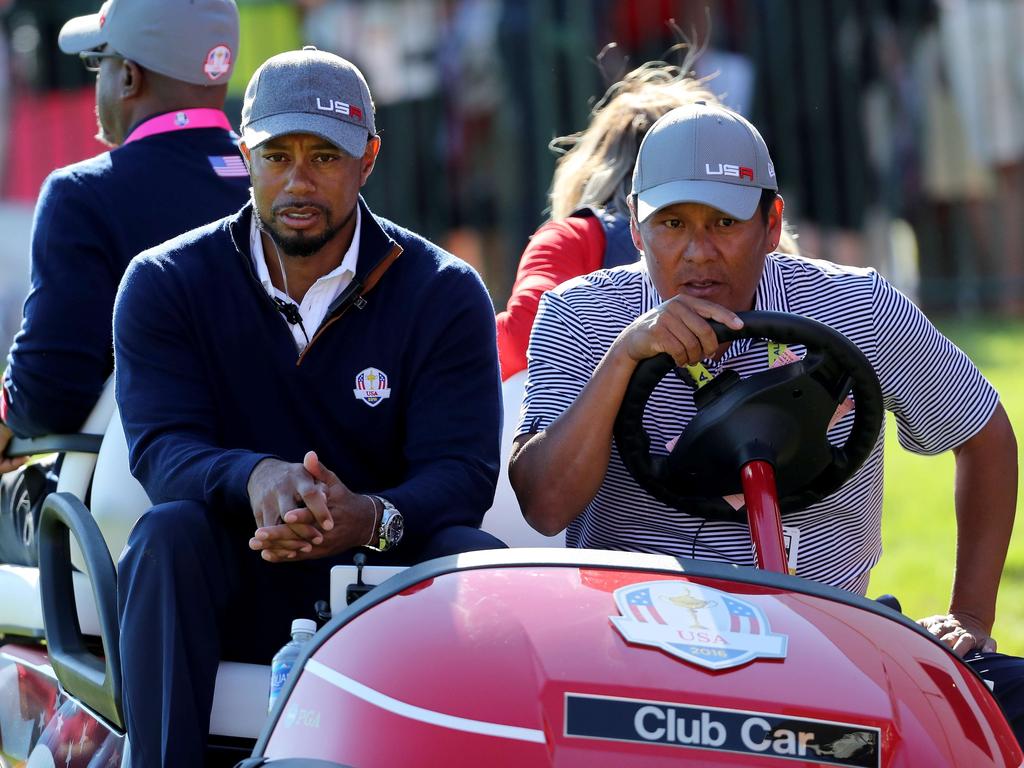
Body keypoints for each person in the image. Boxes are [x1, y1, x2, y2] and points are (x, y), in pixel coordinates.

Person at [509, 103, 1022, 739]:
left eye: (725, 222)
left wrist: (969, 615)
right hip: (632, 646)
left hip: (829, 639)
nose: (698, 252)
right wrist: (624, 357)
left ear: (771, 223)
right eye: (671, 224)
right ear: (637, 230)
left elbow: (986, 435)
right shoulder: (580, 316)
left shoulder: (856, 306)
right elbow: (546, 505)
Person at [112, 47, 503, 766]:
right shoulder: (165, 280)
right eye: (277, 155)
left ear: (369, 159)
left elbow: (463, 476)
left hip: (384, 583)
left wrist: (370, 518)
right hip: (231, 579)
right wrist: (257, 478)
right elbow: (162, 448)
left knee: (476, 562)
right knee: (166, 536)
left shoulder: (444, 290)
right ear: (244, 156)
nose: (298, 180)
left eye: (325, 157)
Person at [0, 0, 249, 474]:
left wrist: (9, 412)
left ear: (129, 78)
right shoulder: (278, 185)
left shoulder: (82, 194)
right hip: (284, 493)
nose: (98, 81)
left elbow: (49, 394)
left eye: (100, 62)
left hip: (132, 499)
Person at [495, 56, 799, 381]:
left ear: (594, 162)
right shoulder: (751, 231)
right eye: (673, 223)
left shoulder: (571, 237)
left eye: (723, 220)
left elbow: (518, 339)